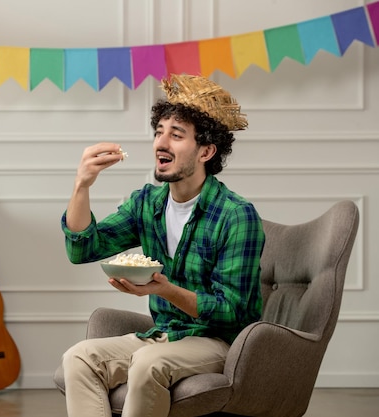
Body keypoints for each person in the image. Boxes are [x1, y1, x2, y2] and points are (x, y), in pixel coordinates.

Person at [59, 74, 265, 417]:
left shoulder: (236, 215)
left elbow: (234, 311)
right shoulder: (147, 204)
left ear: (206, 151)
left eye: (176, 134)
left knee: (146, 363)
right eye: (159, 132)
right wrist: (82, 185)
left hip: (217, 342)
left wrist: (166, 291)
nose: (160, 142)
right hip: (165, 335)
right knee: (77, 358)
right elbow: (82, 249)